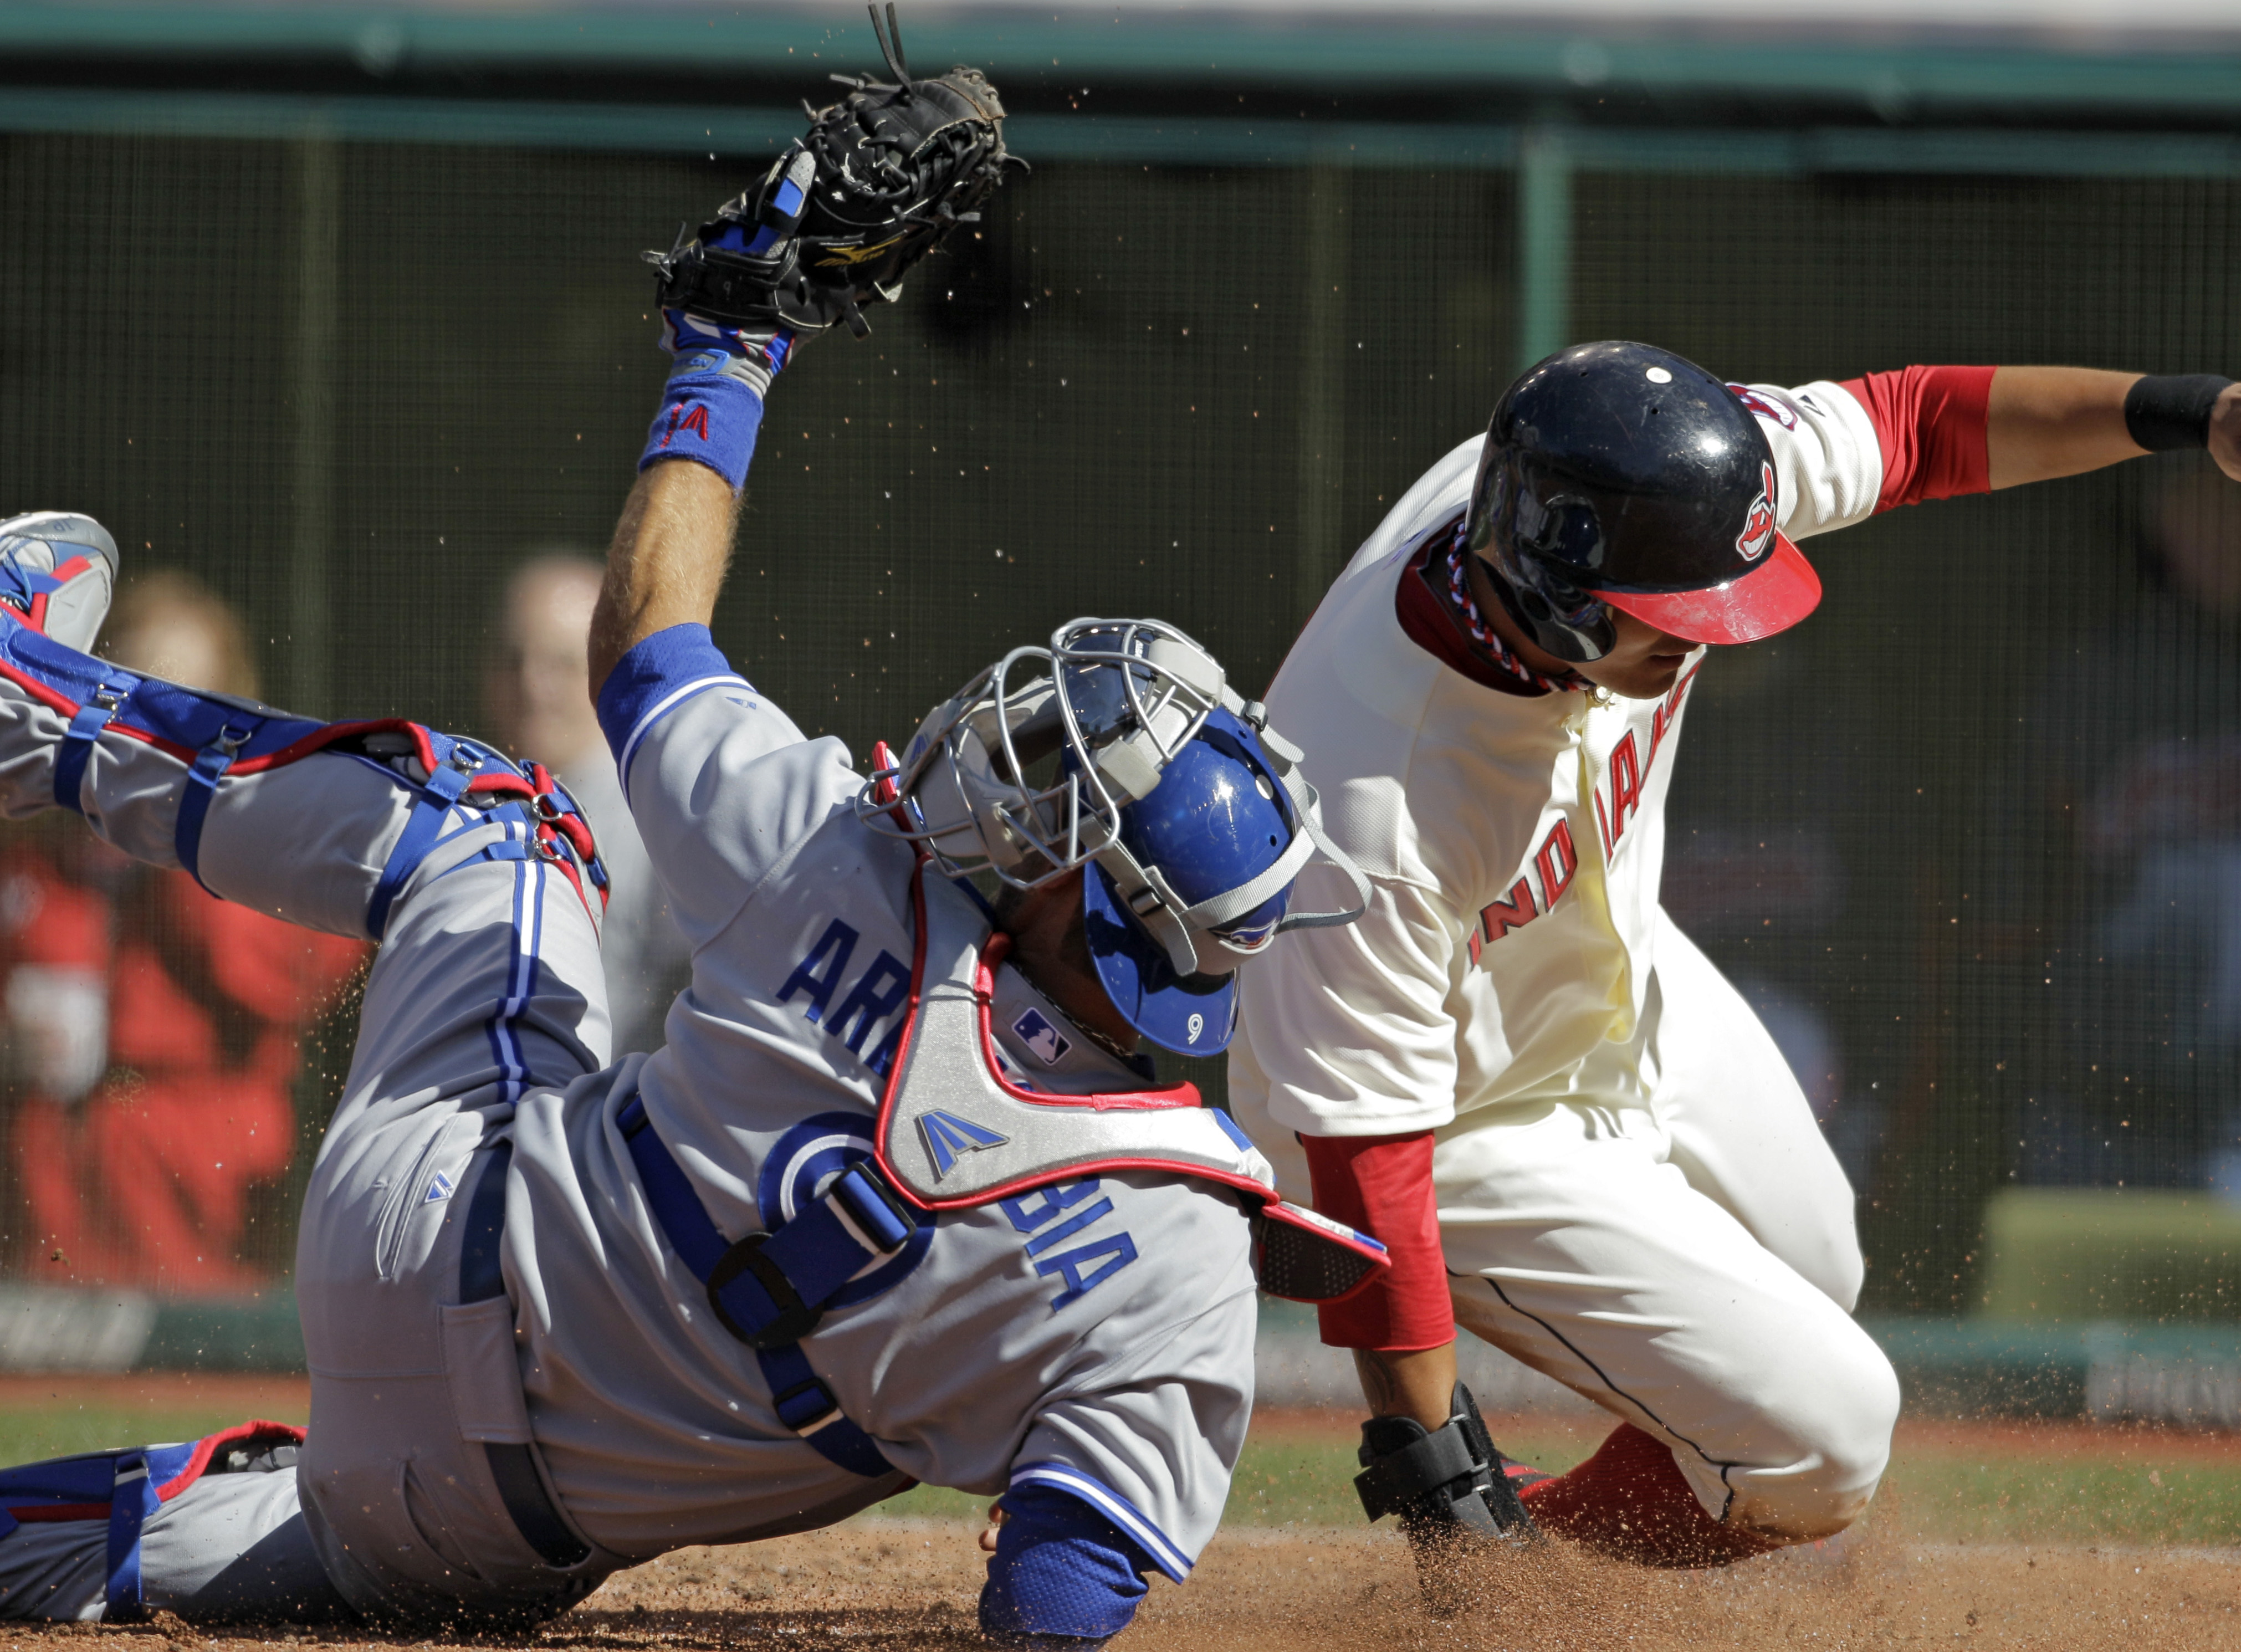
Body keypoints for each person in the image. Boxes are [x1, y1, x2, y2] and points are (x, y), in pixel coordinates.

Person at [0, 178, 1379, 1639]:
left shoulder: (857, 865)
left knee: (511, 824)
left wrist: (730, 348)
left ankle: (31, 707)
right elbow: (1057, 1596)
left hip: (425, 1226)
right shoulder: (1180, 1257)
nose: (1012, 764)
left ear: (1087, 906)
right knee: (338, 1509)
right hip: (477, 1544)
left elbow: (644, 649)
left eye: (1055, 791)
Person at [1226, 346, 2241, 1574]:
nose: (1717, 636)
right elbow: (1368, 1167)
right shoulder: (1368, 796)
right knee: (1830, 1438)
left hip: (1618, 984)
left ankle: (1577, 1529)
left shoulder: (1628, 492)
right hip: (1450, 1118)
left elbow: (1917, 423)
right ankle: (1525, 1586)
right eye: (1679, 621)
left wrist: (2196, 413)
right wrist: (1434, 1474)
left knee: (1820, 1265)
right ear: (1557, 598)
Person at [2, 570, 365, 1292]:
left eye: (180, 704)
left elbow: (300, 980)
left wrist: (187, 838)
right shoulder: (39, 855)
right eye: (127, 692)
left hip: (205, 1212)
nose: (146, 726)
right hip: (45, 1212)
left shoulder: (266, 849)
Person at [484, 554, 689, 1056]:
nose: (534, 686)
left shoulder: (654, 816)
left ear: (612, 673)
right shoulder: (480, 805)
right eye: (514, 660)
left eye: (561, 663)